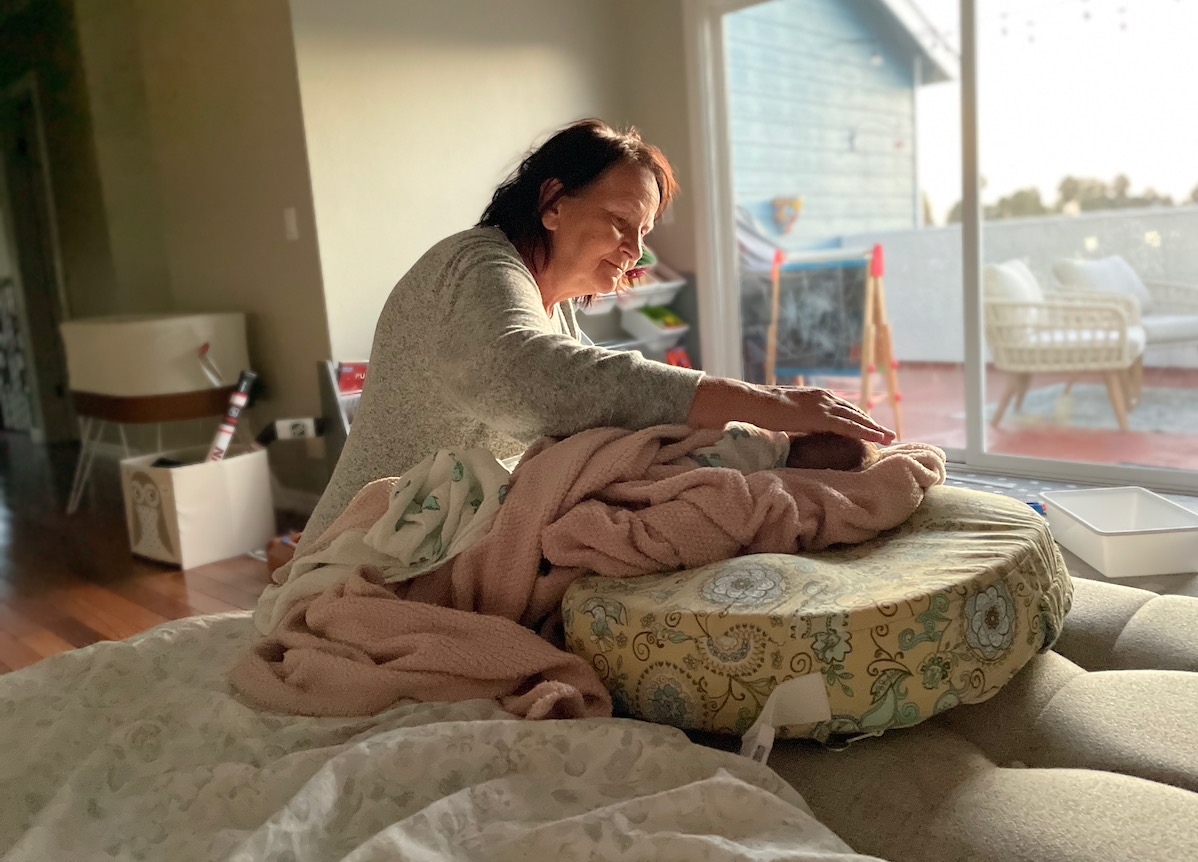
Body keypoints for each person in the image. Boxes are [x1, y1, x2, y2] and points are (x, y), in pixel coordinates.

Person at [299, 119, 894, 548]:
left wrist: (755, 438)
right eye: (619, 222)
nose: (635, 250)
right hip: (363, 552)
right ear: (553, 201)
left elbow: (605, 417)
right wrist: (769, 403)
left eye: (643, 232)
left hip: (435, 540)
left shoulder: (553, 309)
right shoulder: (475, 264)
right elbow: (527, 376)